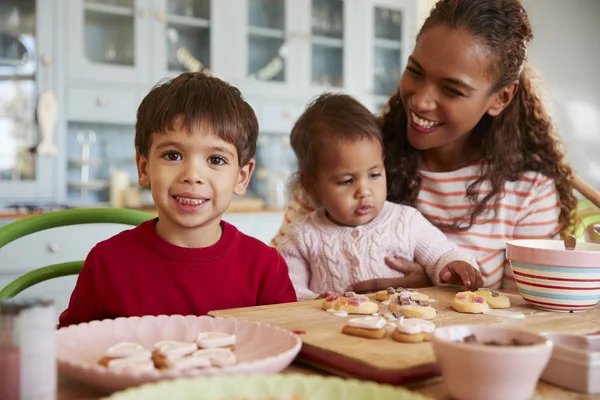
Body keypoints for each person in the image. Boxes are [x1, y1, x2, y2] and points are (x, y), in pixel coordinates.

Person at [272, 0, 577, 290]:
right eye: (415, 71)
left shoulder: (529, 192)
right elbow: (277, 275)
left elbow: (525, 319)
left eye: (452, 89)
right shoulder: (347, 156)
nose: (419, 101)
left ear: (501, 98)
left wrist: (435, 288)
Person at [59, 72, 296, 328]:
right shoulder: (106, 262)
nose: (192, 176)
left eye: (216, 160)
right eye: (172, 155)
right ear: (144, 168)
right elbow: (70, 346)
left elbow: (288, 349)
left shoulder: (265, 269)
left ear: (241, 177)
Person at [276, 93, 483, 300]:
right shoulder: (302, 236)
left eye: (374, 174)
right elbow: (286, 289)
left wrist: (455, 266)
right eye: (347, 181)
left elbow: (441, 253)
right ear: (311, 185)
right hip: (330, 329)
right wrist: (313, 301)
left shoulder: (406, 221)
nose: (364, 191)